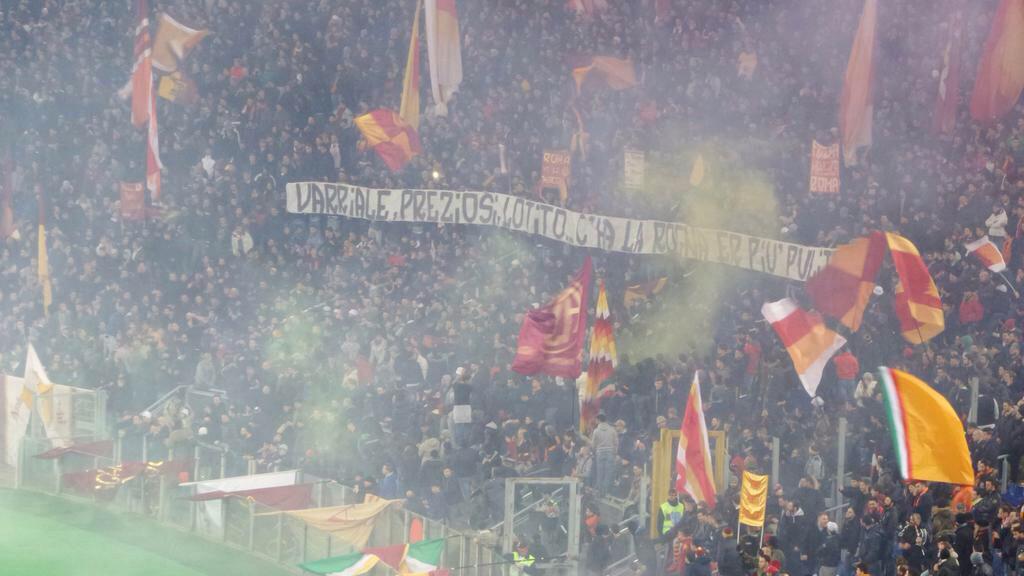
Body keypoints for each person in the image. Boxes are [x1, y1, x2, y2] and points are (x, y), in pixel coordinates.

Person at [589, 412, 619, 495]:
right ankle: (606, 491)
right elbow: (616, 442)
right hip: (610, 452)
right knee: (608, 472)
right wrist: (614, 452)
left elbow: (593, 444)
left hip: (600, 452)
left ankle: (600, 491)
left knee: (600, 472)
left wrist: (594, 451)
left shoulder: (596, 431)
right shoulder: (612, 430)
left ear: (598, 420)